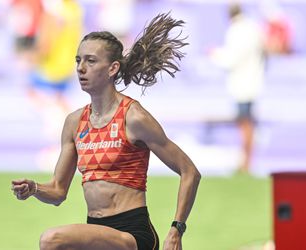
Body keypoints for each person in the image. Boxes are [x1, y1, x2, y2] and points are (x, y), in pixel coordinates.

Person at [11, 12, 201, 250]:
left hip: (132, 234)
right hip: (96, 231)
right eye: (78, 60)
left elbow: (190, 172)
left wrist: (176, 230)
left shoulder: (133, 117)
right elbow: (59, 191)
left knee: (52, 240)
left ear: (112, 68)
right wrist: (35, 189)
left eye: (90, 61)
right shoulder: (74, 122)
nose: (81, 68)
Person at [210, 3, 265, 174]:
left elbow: (231, 59)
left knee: (245, 125)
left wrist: (215, 54)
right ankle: (246, 161)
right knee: (247, 124)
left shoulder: (236, 31)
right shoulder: (253, 27)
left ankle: (246, 163)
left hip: (242, 84)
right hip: (253, 81)